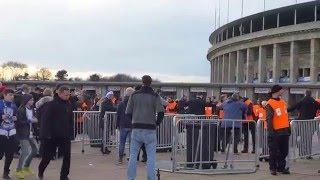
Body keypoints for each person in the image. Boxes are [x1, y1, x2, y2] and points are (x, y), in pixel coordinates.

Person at [126, 75, 164, 180]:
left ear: (142, 82)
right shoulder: (155, 96)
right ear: (151, 83)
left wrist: (134, 121)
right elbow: (161, 112)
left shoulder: (134, 95)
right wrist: (156, 123)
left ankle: (130, 178)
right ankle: (151, 178)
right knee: (151, 156)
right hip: (150, 129)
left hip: (136, 128)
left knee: (133, 155)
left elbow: (128, 112)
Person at [38, 86, 74, 180]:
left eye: (69, 94)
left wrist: (71, 134)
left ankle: (64, 176)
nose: (68, 96)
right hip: (52, 136)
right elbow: (45, 120)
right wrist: (45, 134)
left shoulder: (69, 105)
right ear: (60, 93)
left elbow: (70, 120)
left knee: (67, 157)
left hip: (65, 136)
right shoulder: (51, 104)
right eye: (66, 95)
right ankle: (41, 171)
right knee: (48, 157)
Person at [287, 90, 320, 159]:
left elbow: (292, 108)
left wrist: (286, 110)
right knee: (309, 138)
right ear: (311, 94)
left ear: (305, 94)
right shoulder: (314, 102)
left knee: (302, 137)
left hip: (302, 122)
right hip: (311, 122)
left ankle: (302, 153)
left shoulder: (302, 101)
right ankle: (308, 154)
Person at [266, 85, 291, 175]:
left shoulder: (283, 102)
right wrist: (271, 131)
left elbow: (286, 116)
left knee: (284, 151)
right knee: (273, 151)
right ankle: (273, 168)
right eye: (281, 90)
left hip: (284, 130)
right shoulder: (270, 103)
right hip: (276, 131)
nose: (282, 91)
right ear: (276, 91)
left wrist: (289, 128)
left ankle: (281, 167)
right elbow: (269, 119)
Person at [15, 94, 39, 179]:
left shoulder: (32, 109)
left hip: (30, 133)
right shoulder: (21, 110)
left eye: (32, 100)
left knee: (35, 150)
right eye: (30, 100)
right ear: (26, 100)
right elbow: (19, 122)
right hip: (22, 133)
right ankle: (19, 170)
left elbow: (33, 120)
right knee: (25, 151)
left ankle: (26, 166)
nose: (32, 101)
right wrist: (30, 120)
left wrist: (35, 121)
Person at [0, 88, 18, 180]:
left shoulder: (14, 106)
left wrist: (15, 118)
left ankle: (6, 172)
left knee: (10, 154)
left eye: (13, 95)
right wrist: (0, 117)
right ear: (4, 95)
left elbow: (15, 115)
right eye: (10, 95)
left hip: (11, 132)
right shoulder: (0, 104)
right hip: (1, 133)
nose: (12, 97)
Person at [116, 87, 135, 164]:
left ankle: (120, 158)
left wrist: (117, 125)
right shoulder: (134, 103)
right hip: (132, 125)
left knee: (122, 142)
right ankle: (131, 158)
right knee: (132, 143)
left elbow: (118, 115)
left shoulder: (120, 103)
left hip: (123, 124)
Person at [35, 88, 54, 157]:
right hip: (51, 122)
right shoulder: (53, 102)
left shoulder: (39, 103)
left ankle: (41, 153)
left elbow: (38, 114)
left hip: (42, 123)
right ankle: (50, 154)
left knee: (43, 139)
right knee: (51, 139)